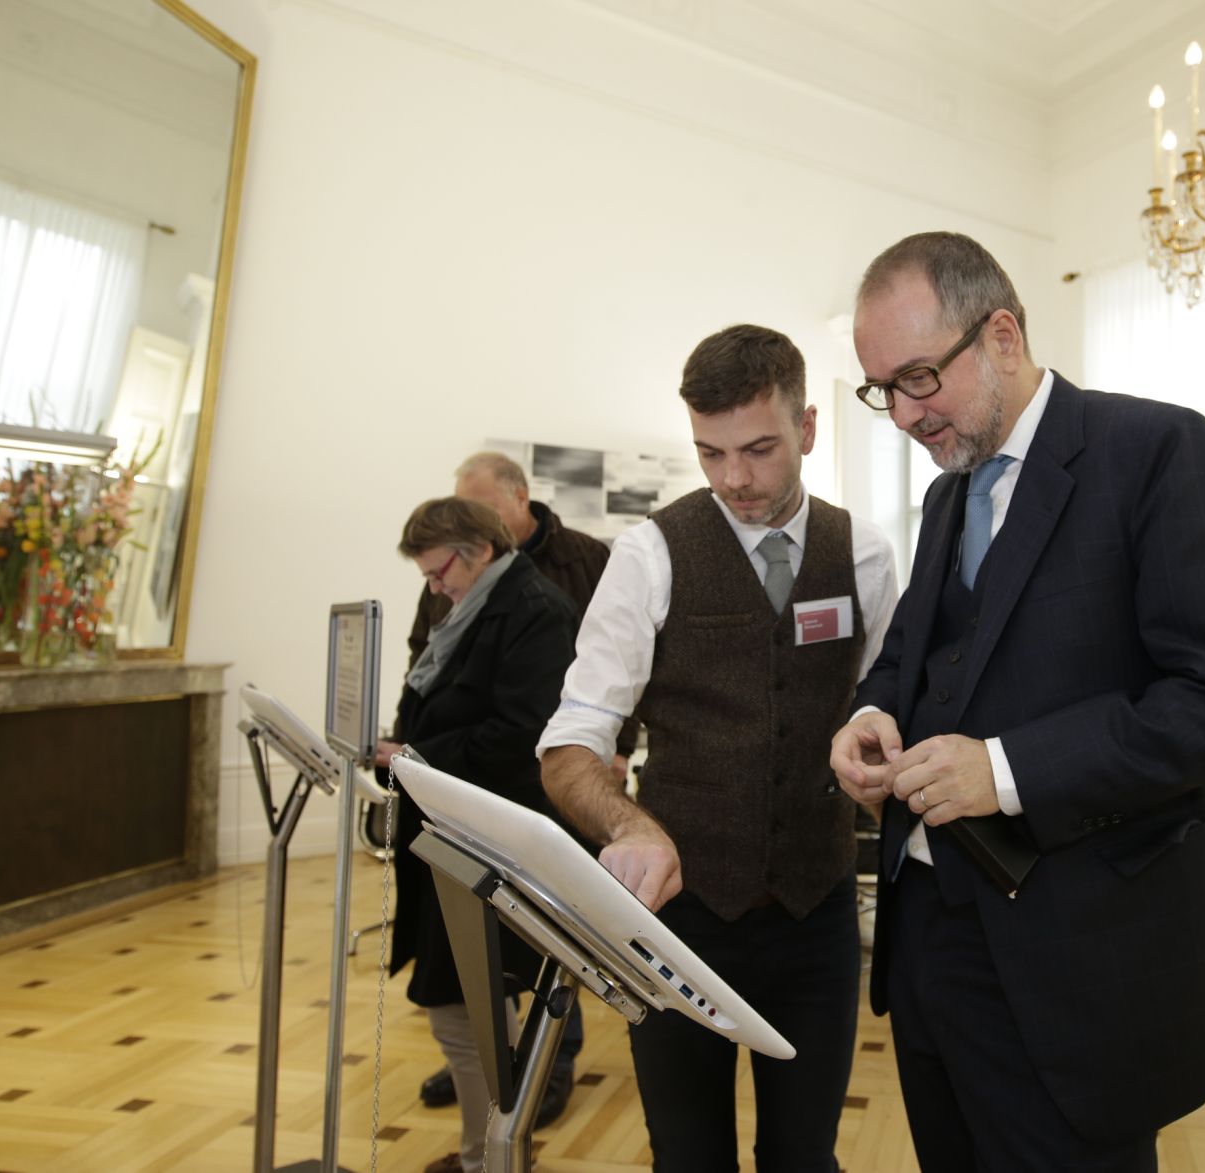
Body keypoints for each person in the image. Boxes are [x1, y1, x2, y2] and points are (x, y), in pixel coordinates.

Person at [828, 231, 1205, 1171]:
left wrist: (1005, 770)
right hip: (933, 950)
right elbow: (920, 652)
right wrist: (872, 712)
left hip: (1081, 967)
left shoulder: (1158, 450)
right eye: (884, 391)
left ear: (1001, 334)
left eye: (921, 378)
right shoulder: (952, 495)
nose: (906, 416)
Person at [538, 324, 898, 1171]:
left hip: (817, 915)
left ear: (807, 428)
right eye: (710, 453)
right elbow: (570, 745)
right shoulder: (649, 555)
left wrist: (883, 762)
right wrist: (628, 825)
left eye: (760, 448)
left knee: (804, 1156)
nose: (734, 478)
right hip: (681, 921)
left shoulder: (868, 555)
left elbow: (890, 710)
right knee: (689, 1156)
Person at [404, 451, 629, 1122]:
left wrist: (609, 750)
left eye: (486, 506)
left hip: (532, 798)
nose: (435, 586)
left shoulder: (573, 571)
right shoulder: (458, 590)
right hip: (467, 807)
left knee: (539, 951)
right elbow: (426, 664)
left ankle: (540, 1070)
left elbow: (610, 669)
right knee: (477, 960)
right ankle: (484, 1066)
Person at [373, 497, 580, 1173]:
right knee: (467, 1013)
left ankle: (489, 1157)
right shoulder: (479, 602)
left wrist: (413, 755)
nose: (433, 589)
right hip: (454, 830)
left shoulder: (535, 610)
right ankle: (486, 1153)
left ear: (479, 550)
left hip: (490, 837)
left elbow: (520, 733)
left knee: (467, 1013)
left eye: (438, 573)